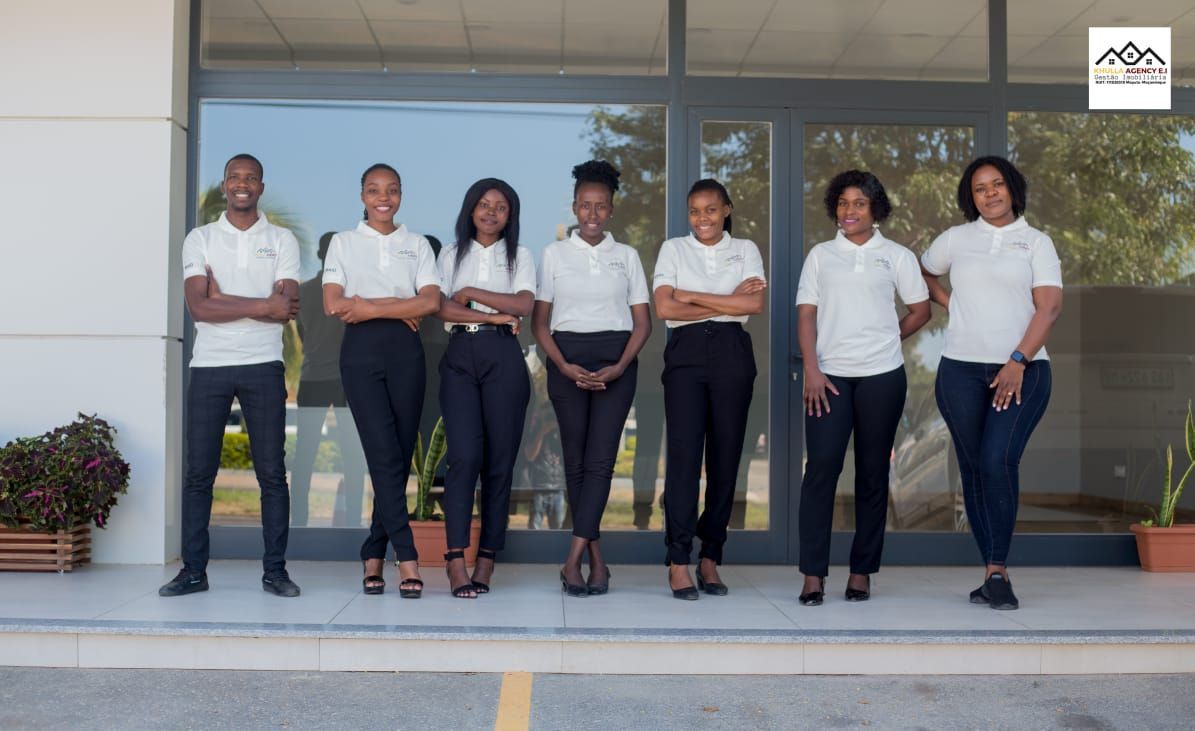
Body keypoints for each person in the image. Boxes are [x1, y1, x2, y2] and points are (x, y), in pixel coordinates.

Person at [921, 155, 1063, 611]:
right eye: (980, 188)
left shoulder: (1036, 242)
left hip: (1023, 371)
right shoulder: (956, 240)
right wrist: (951, 303)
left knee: (996, 460)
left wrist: (1018, 360)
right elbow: (922, 272)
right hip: (960, 369)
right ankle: (992, 573)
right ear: (971, 197)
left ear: (1012, 188)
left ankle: (998, 568)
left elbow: (1049, 308)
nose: (990, 194)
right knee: (973, 468)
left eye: (997, 184)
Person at [161, 153, 302, 598]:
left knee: (272, 475)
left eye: (251, 178)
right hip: (209, 366)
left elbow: (286, 310)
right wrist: (260, 304)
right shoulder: (200, 238)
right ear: (224, 186)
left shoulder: (281, 239)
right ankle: (193, 572)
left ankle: (275, 571)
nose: (242, 184)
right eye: (234, 177)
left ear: (261, 187)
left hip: (263, 365)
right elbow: (199, 307)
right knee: (199, 474)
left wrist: (225, 298)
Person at [795, 170, 930, 606]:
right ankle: (813, 575)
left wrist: (889, 339)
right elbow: (806, 316)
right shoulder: (820, 256)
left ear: (875, 209)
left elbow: (920, 310)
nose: (848, 211)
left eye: (859, 203)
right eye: (842, 203)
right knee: (820, 472)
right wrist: (813, 369)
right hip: (828, 378)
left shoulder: (896, 256)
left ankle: (861, 572)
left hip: (882, 377)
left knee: (872, 476)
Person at [532, 160, 651, 597]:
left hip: (617, 362)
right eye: (585, 206)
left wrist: (619, 366)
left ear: (612, 209)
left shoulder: (627, 257)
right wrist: (562, 366)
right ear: (574, 208)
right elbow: (540, 324)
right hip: (567, 361)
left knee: (601, 461)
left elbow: (643, 323)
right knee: (576, 463)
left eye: (601, 206)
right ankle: (596, 560)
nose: (593, 214)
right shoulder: (554, 254)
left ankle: (571, 561)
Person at [322, 163, 440, 598]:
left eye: (391, 189)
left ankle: (372, 551)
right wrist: (398, 305)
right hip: (360, 355)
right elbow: (334, 303)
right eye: (373, 190)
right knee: (382, 455)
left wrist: (369, 306)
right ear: (362, 196)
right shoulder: (343, 243)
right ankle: (406, 557)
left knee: (398, 456)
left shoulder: (417, 245)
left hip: (407, 356)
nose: (382, 197)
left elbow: (430, 301)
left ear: (401, 194)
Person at [652, 178, 766, 600]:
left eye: (711, 209)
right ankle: (679, 560)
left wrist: (691, 297)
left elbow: (752, 305)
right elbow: (664, 307)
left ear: (727, 210)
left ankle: (710, 557)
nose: (703, 218)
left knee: (725, 460)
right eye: (695, 211)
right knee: (683, 459)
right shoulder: (673, 249)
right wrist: (724, 299)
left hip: (733, 354)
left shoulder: (746, 249)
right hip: (685, 355)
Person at [436, 178, 534, 598]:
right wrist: (496, 313)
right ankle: (455, 560)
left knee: (498, 463)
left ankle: (487, 558)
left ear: (510, 216)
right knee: (464, 457)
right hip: (460, 355)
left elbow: (525, 305)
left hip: (504, 359)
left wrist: (473, 293)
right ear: (470, 209)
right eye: (483, 204)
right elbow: (439, 306)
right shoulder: (450, 253)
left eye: (501, 207)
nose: (491, 212)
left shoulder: (521, 256)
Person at [291, 231, 367, 528]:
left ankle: (298, 521)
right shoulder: (352, 295)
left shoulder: (304, 291)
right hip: (345, 379)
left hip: (313, 377)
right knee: (353, 455)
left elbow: (301, 335)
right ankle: (351, 522)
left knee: (304, 456)